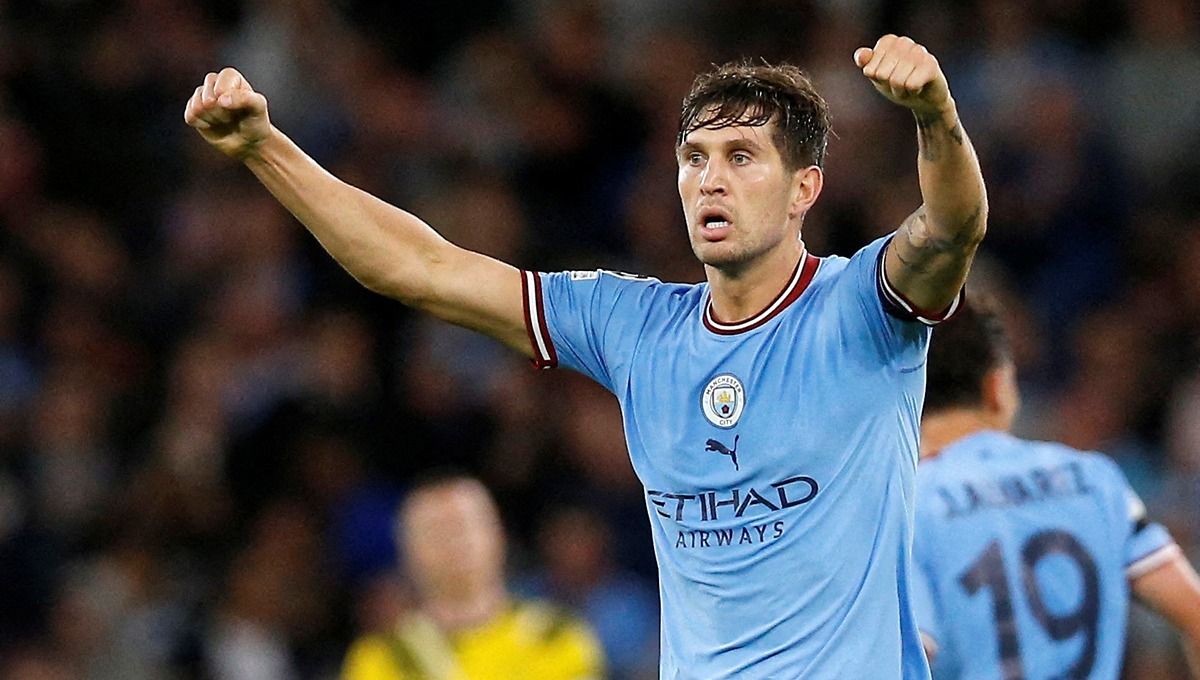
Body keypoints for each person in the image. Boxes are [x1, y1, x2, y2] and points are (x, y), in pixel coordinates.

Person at [185, 33, 987, 677]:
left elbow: (951, 227)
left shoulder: (859, 310)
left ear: (804, 189)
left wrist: (937, 118)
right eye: (694, 158)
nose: (711, 180)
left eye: (742, 158)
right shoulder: (632, 324)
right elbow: (421, 269)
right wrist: (265, 150)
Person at [913, 298, 1200, 679]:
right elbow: (1194, 613)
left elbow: (907, 657)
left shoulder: (906, 504)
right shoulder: (1094, 477)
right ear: (997, 386)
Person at [341, 473, 604, 679]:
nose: (454, 542)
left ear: (498, 534)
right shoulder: (381, 659)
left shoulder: (555, 635)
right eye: (436, 530)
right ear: (407, 550)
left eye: (464, 525)